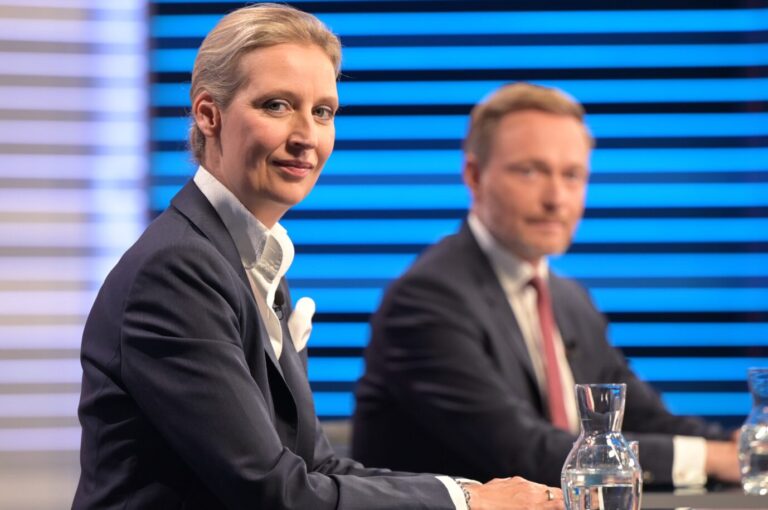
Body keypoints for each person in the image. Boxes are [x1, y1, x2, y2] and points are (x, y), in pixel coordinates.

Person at [72, 5, 564, 509]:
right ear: (208, 113)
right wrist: (468, 503)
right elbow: (271, 489)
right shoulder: (178, 270)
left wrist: (468, 493)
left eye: (322, 111)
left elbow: (315, 466)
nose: (306, 136)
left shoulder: (250, 260)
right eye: (277, 105)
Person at [352, 82, 741, 488]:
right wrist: (710, 458)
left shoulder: (571, 299)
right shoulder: (428, 299)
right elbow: (525, 452)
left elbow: (641, 416)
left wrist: (737, 445)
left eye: (572, 175)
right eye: (531, 171)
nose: (557, 198)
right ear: (474, 175)